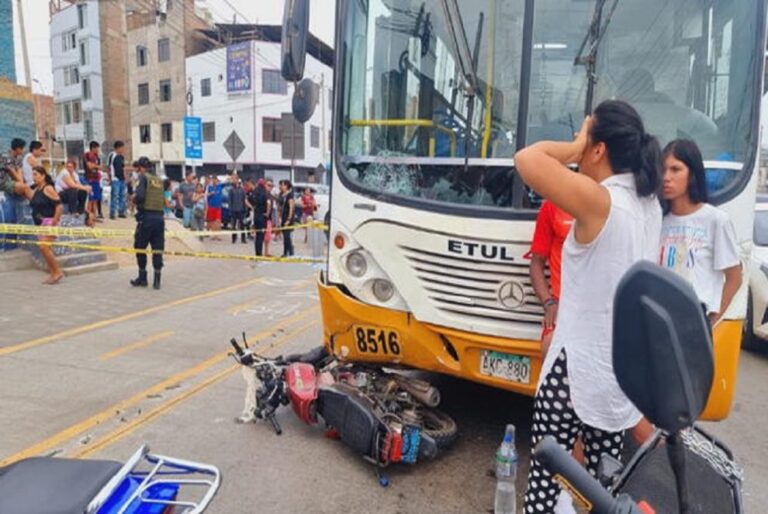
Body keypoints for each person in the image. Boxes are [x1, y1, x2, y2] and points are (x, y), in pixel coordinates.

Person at [515, 100, 662, 514]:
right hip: (618, 378)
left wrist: (575, 142)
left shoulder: (602, 200)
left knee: (545, 487)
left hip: (573, 373)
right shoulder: (649, 205)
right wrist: (587, 140)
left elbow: (528, 159)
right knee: (606, 492)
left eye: (588, 139)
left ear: (599, 149)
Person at [659, 139, 742, 325]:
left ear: (692, 174)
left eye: (675, 169)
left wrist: (712, 319)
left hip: (694, 319)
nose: (666, 177)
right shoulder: (657, 221)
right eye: (663, 170)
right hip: (659, 321)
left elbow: (734, 277)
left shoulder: (715, 220)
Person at [529, 200, 573, 356]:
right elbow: (536, 264)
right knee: (550, 348)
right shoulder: (552, 206)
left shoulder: (610, 204)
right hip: (561, 306)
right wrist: (549, 303)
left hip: (597, 309)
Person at [130, 157, 165, 290]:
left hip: (146, 218)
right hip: (159, 219)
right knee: (157, 249)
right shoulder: (159, 180)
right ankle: (157, 281)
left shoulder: (144, 178)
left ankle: (142, 277)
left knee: (139, 247)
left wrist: (134, 199)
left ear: (141, 168)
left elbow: (140, 197)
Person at [25, 166, 64, 284]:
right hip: (40, 224)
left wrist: (54, 221)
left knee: (43, 246)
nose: (34, 177)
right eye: (33, 175)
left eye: (36, 175)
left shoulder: (48, 189)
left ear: (43, 176)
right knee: (45, 249)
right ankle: (53, 273)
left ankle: (57, 271)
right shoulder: (37, 189)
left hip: (48, 221)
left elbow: (59, 205)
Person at [55, 159, 93, 226]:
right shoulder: (64, 173)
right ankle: (72, 211)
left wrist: (86, 188)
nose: (69, 168)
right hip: (61, 193)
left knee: (82, 191)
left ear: (74, 168)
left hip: (70, 193)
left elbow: (79, 185)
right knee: (73, 190)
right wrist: (85, 187)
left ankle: (81, 210)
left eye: (70, 167)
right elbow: (71, 185)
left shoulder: (75, 175)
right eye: (67, 167)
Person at [108, 141, 131, 219]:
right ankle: (112, 212)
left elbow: (123, 168)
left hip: (122, 179)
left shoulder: (121, 157)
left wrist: (126, 178)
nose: (123, 149)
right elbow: (109, 168)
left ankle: (121, 212)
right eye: (122, 148)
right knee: (115, 196)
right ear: (118, 148)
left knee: (122, 196)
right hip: (115, 179)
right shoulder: (112, 155)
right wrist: (110, 178)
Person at [249, 178, 271, 256]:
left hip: (256, 215)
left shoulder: (254, 192)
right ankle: (260, 253)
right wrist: (267, 213)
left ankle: (257, 253)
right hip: (262, 216)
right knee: (261, 236)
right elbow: (268, 203)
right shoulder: (265, 193)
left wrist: (253, 207)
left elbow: (249, 200)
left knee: (257, 235)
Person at [82, 140, 104, 220]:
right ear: (93, 148)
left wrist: (96, 166)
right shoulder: (87, 155)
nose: (98, 150)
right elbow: (89, 166)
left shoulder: (97, 156)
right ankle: (88, 216)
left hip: (96, 179)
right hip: (89, 179)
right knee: (90, 199)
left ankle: (94, 216)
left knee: (95, 199)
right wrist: (97, 166)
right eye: (97, 148)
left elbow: (98, 167)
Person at [228, 174, 248, 244]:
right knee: (233, 225)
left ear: (237, 179)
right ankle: (234, 238)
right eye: (232, 179)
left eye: (235, 179)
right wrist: (230, 210)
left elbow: (244, 199)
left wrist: (245, 209)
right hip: (233, 210)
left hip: (241, 209)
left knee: (242, 225)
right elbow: (230, 200)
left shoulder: (241, 189)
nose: (234, 180)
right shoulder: (231, 189)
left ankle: (243, 238)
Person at [279, 180, 296, 257]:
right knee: (285, 236)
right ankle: (289, 250)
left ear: (286, 186)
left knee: (286, 236)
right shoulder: (283, 195)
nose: (281, 187)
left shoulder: (290, 195)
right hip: (283, 217)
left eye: (283, 185)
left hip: (287, 218)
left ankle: (287, 252)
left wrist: (289, 219)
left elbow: (291, 208)